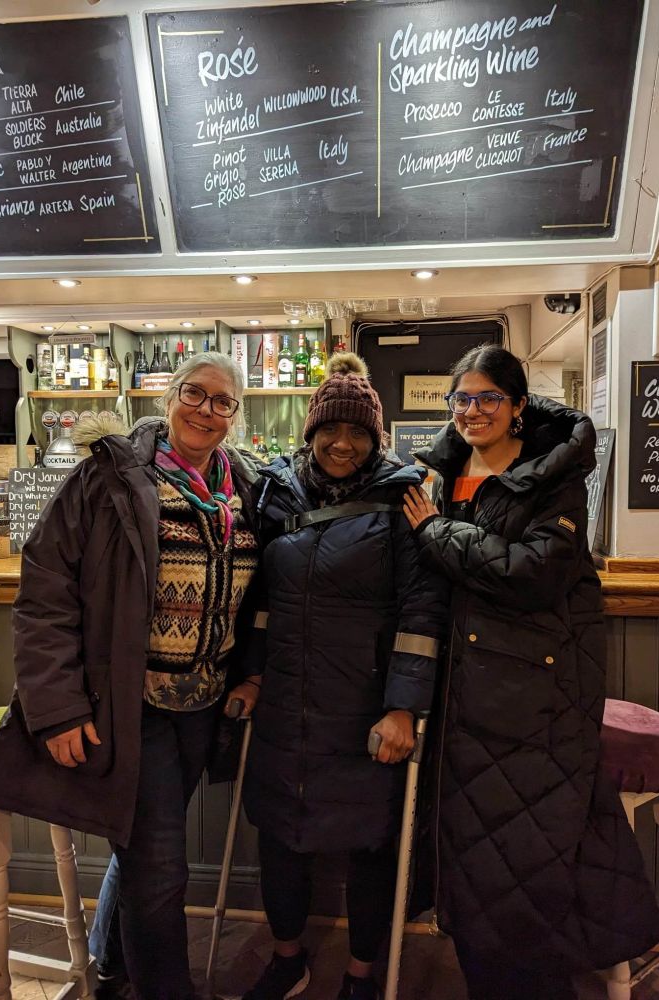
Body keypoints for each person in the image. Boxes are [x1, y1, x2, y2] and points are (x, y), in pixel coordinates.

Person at [0, 352, 261, 1000]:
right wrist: (56, 707)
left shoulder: (243, 488)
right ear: (168, 397)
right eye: (195, 393)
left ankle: (111, 968)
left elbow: (260, 599)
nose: (206, 410)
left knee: (140, 848)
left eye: (223, 402)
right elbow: (45, 593)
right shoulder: (106, 478)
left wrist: (248, 676)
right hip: (128, 709)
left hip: (203, 706)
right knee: (161, 866)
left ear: (234, 417)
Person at [402, 344, 659, 1000]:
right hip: (467, 694)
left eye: (489, 397)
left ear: (518, 406)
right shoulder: (449, 470)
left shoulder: (553, 475)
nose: (472, 410)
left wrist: (436, 533)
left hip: (529, 700)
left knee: (522, 870)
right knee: (477, 867)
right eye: (461, 397)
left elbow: (532, 573)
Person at [227, 354, 448, 1000]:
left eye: (358, 433)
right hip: (284, 702)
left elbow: (420, 607)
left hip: (363, 706)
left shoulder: (401, 496)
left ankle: (360, 973)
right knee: (279, 837)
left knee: (369, 846)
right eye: (331, 431)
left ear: (377, 439)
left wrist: (404, 705)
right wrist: (250, 676)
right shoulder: (277, 491)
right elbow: (258, 600)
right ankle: (288, 958)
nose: (342, 444)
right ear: (310, 431)